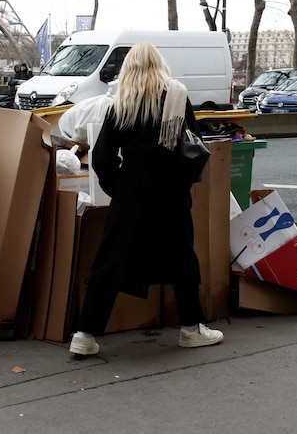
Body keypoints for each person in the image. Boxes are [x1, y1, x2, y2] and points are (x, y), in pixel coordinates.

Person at [69, 42, 223, 357]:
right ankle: (191, 329)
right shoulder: (177, 96)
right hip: (170, 192)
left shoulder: (120, 104)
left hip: (131, 192)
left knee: (110, 260)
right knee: (182, 259)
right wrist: (181, 183)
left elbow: (101, 158)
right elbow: (192, 146)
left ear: (129, 69)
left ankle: (84, 334)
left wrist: (120, 188)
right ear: (159, 64)